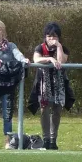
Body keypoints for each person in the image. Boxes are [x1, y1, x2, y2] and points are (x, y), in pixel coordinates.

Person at [0, 19, 30, 150]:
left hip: (8, 83)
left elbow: (17, 54)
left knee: (7, 114)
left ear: (4, 32)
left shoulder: (11, 46)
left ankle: (8, 141)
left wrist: (23, 59)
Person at [32, 22, 69, 150]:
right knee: (44, 109)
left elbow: (61, 60)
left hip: (59, 84)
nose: (52, 39)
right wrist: (50, 59)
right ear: (45, 37)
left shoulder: (63, 48)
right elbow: (36, 59)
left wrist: (58, 47)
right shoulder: (40, 48)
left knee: (57, 109)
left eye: (54, 36)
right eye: (49, 36)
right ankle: (46, 138)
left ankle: (53, 140)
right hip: (44, 84)